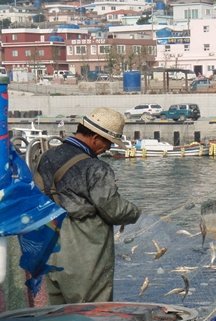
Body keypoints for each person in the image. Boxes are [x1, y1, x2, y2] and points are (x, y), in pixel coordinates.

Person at [35, 107, 141, 304]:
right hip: (84, 251)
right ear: (94, 137)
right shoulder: (96, 168)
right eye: (108, 142)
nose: (108, 148)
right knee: (92, 312)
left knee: (55, 316)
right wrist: (135, 211)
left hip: (49, 245)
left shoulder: (46, 157)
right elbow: (114, 210)